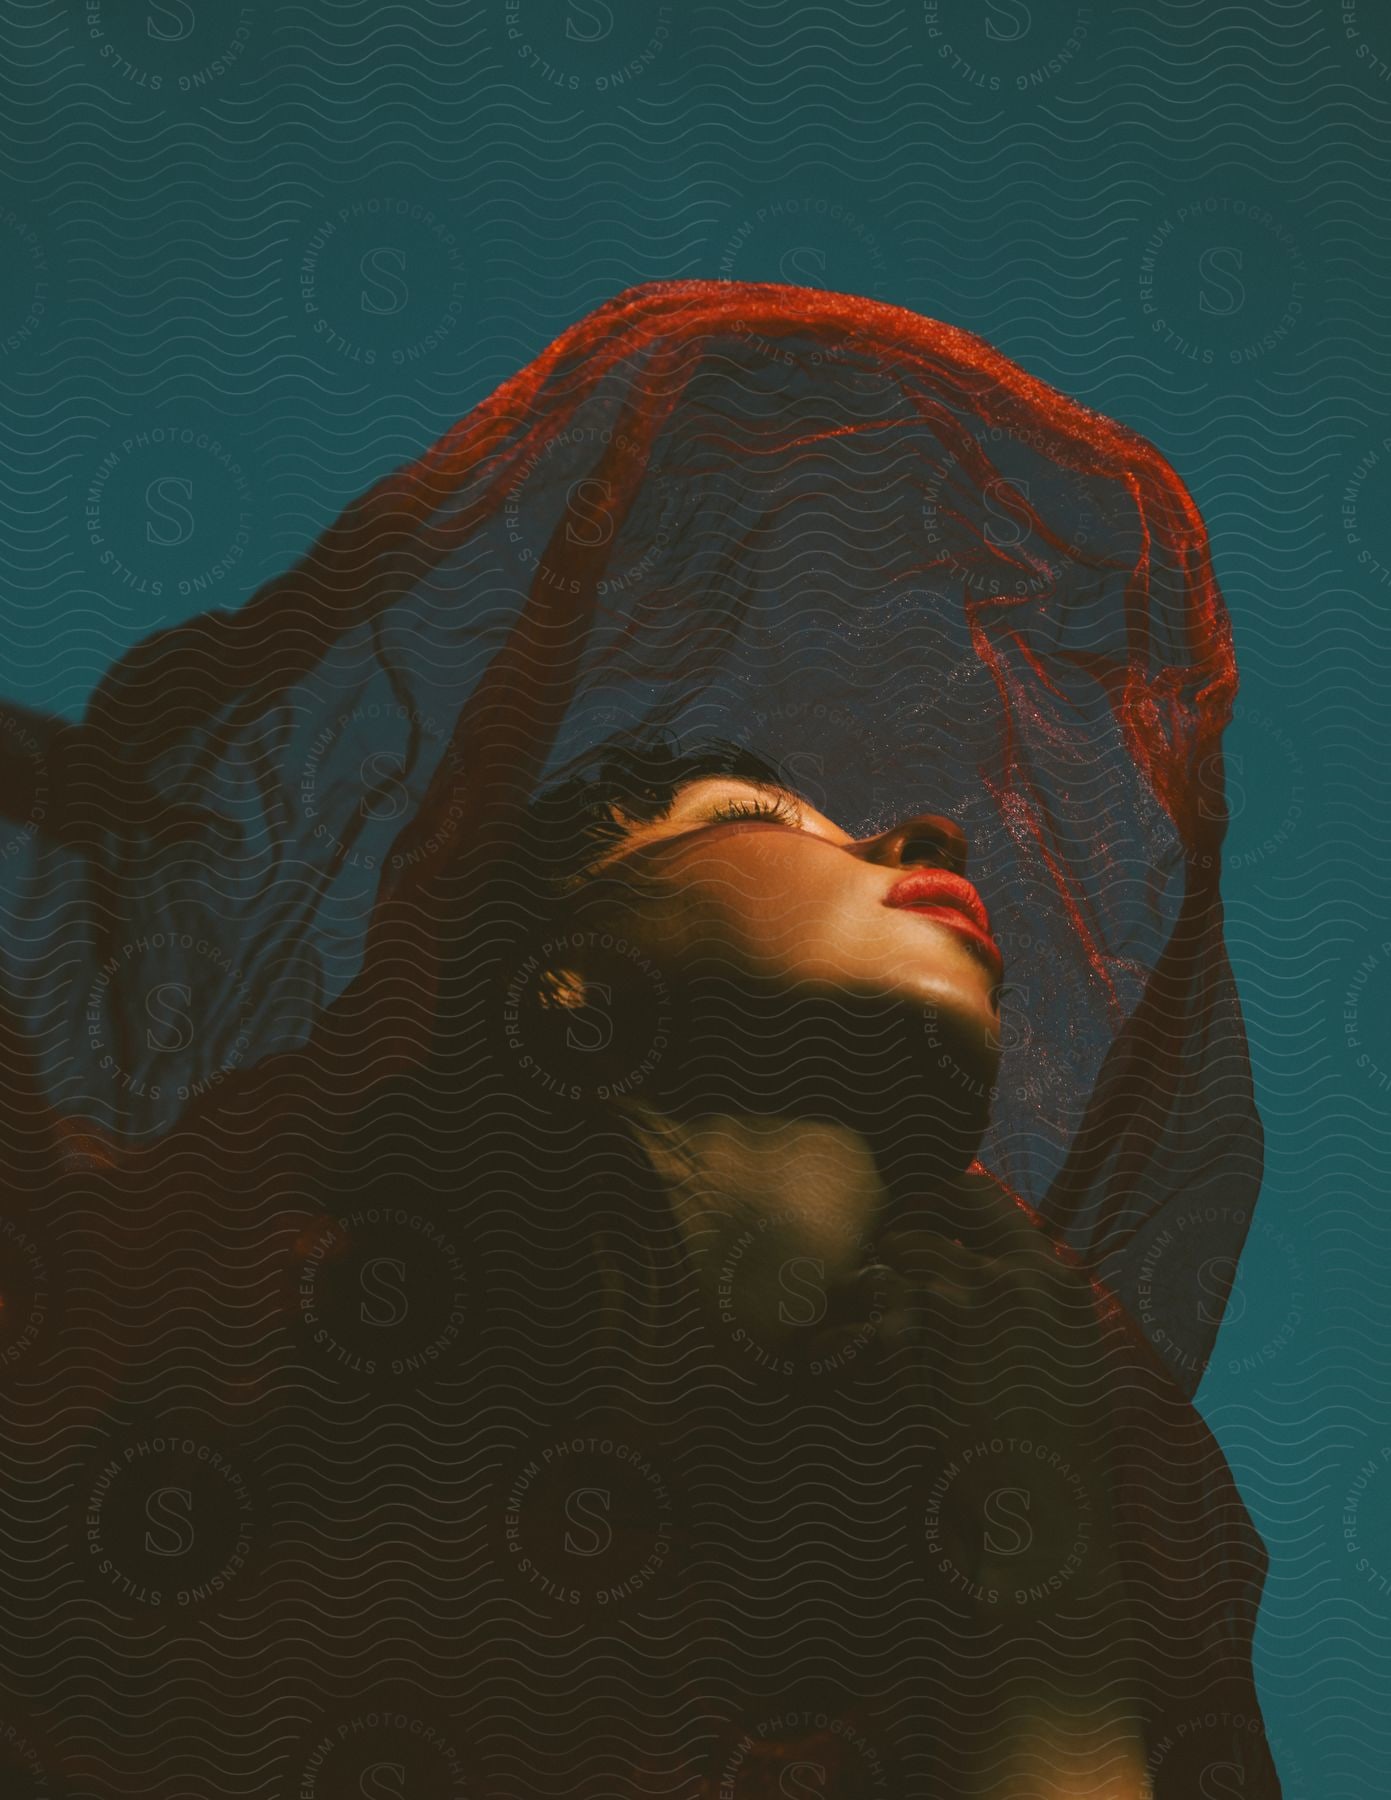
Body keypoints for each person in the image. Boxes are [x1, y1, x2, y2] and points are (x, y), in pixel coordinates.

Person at [0, 281, 1279, 1797]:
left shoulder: (1029, 1483)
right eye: (761, 816)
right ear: (568, 984)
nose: (926, 826)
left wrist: (1036, 1529)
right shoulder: (237, 1358)